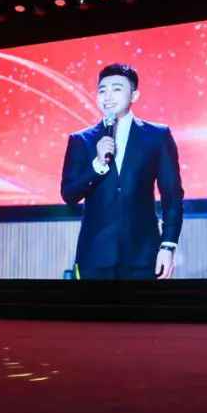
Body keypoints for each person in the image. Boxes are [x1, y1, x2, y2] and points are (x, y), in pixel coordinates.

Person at [60, 63, 184, 279]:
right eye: (102, 90)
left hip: (143, 254)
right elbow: (69, 194)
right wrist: (97, 165)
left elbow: (172, 196)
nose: (107, 96)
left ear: (134, 95)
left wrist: (167, 246)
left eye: (116, 89)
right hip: (95, 256)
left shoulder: (157, 136)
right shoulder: (81, 140)